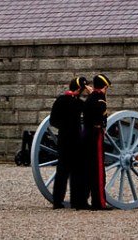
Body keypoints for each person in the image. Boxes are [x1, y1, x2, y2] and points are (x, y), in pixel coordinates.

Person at [49, 76, 89, 209]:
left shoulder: (60, 100)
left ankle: (57, 201)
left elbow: (53, 120)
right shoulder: (78, 103)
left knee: (62, 171)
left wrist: (64, 127)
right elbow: (91, 108)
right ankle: (76, 201)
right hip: (76, 140)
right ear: (79, 89)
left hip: (63, 139)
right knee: (77, 171)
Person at [83, 74, 111, 209]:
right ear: (104, 87)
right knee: (99, 171)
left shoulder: (90, 98)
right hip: (96, 135)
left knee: (89, 169)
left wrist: (93, 92)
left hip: (86, 134)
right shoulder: (100, 100)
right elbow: (103, 119)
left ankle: (84, 199)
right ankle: (99, 202)